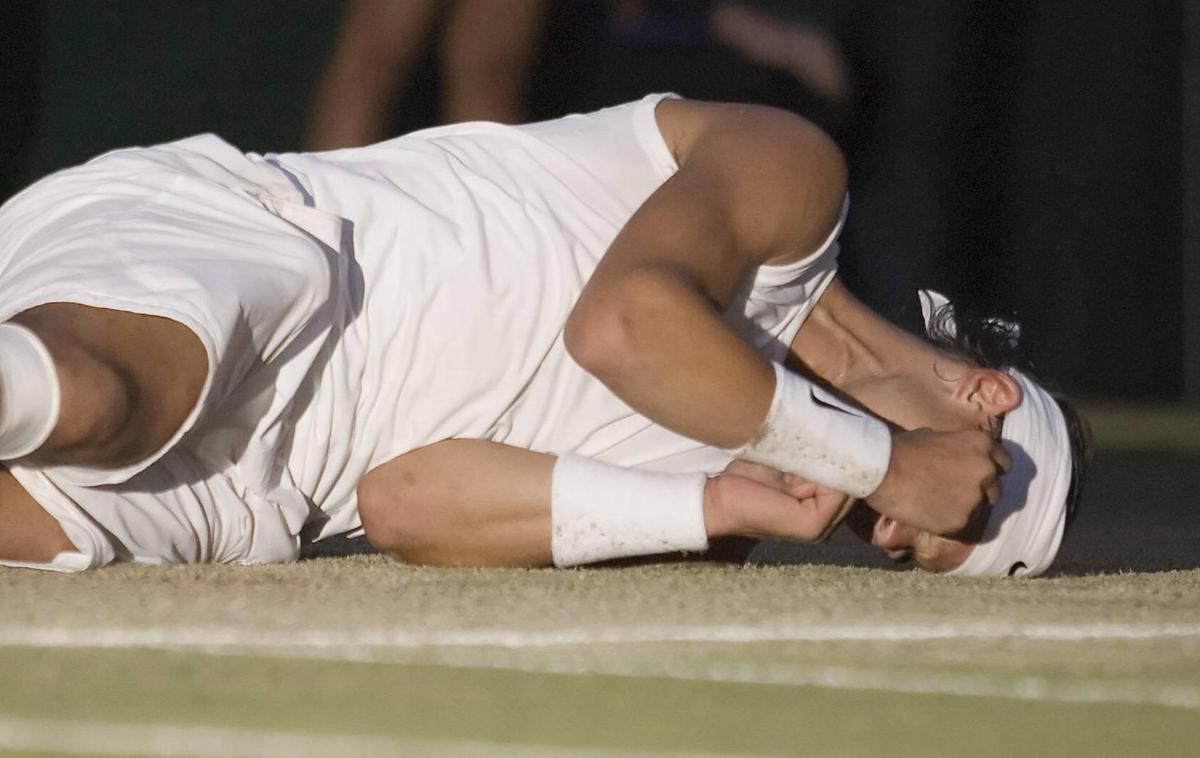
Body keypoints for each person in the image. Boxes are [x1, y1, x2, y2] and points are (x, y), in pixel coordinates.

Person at [0, 95, 1088, 576]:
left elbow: (405, 499)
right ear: (983, 399)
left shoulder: (741, 491)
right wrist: (888, 461)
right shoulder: (791, 176)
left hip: (262, 492)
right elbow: (624, 327)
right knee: (96, 403)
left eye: (920, 553)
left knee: (33, 526)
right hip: (271, 252)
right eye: (961, 503)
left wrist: (707, 507)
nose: (893, 533)